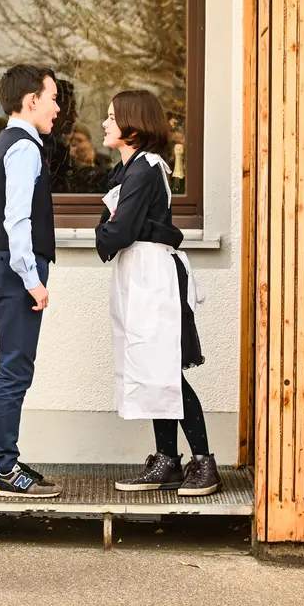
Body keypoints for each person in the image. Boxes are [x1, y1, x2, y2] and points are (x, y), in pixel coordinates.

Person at [96, 90, 220, 497]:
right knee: (151, 368)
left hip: (152, 275)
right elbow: (112, 228)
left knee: (164, 370)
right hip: (139, 272)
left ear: (133, 126)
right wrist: (110, 229)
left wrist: (109, 230)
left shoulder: (145, 170)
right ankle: (167, 460)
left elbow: (117, 231)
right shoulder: (129, 170)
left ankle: (203, 461)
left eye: (112, 117)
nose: (105, 124)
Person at [0, 65, 63, 499]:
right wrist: (31, 277)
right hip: (16, 268)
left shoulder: (1, 143)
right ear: (31, 101)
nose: (57, 108)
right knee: (16, 370)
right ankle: (4, 468)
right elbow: (16, 219)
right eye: (52, 98)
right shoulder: (26, 147)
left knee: (8, 366)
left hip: (0, 260)